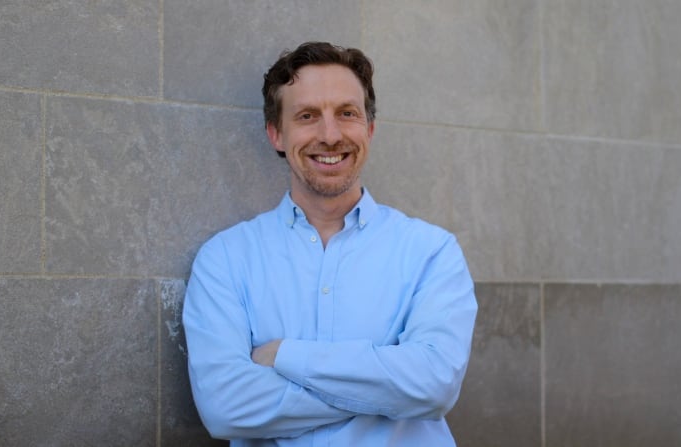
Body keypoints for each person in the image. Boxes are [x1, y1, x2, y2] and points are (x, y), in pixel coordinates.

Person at [182, 41, 477, 446]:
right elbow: (225, 407)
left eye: (347, 114)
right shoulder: (225, 259)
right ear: (276, 135)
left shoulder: (431, 252)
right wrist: (387, 392)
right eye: (307, 116)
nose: (330, 134)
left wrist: (285, 355)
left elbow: (433, 386)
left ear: (369, 130)